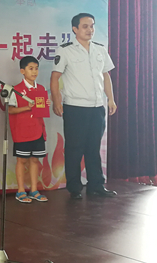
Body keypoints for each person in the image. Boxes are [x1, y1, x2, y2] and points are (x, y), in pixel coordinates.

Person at [51, 13, 117, 199]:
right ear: (75, 29)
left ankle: (96, 185)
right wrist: (56, 102)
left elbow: (106, 75)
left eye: (92, 26)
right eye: (85, 26)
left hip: (97, 107)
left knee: (93, 148)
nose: (90, 30)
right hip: (75, 108)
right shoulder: (65, 51)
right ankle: (74, 188)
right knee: (74, 148)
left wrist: (110, 99)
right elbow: (55, 77)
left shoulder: (100, 49)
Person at [9, 56, 50, 203]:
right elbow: (10, 110)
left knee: (35, 160)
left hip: (38, 130)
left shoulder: (41, 89)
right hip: (22, 131)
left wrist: (46, 104)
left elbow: (41, 109)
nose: (34, 72)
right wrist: (27, 107)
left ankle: (34, 190)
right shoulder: (16, 90)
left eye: (36, 68)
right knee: (21, 160)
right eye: (30, 68)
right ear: (22, 71)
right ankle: (20, 191)